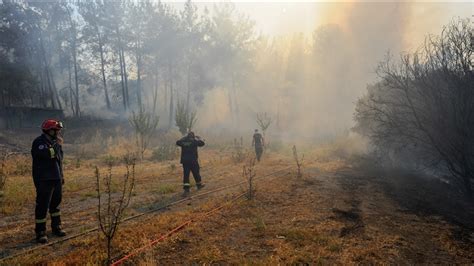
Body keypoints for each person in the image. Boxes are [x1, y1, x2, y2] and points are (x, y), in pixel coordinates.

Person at [31, 119, 66, 244]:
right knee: (42, 206)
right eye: (56, 130)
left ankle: (56, 227)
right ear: (49, 130)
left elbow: (59, 161)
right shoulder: (39, 142)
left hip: (56, 178)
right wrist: (56, 146)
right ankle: (40, 232)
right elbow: (47, 154)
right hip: (44, 179)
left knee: (55, 204)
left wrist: (61, 175)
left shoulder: (55, 143)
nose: (58, 133)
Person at [176, 131, 205, 197]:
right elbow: (202, 143)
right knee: (196, 173)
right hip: (193, 161)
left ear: (187, 136)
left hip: (185, 161)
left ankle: (186, 189)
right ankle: (199, 185)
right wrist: (198, 138)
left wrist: (183, 138)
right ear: (193, 136)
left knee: (186, 175)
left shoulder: (183, 142)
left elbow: (177, 142)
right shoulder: (195, 141)